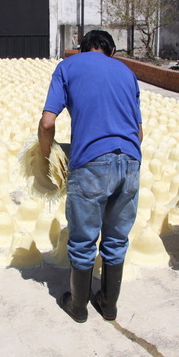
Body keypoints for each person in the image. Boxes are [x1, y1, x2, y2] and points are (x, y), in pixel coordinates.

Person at [38, 30, 143, 322]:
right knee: (116, 239)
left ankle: (78, 306)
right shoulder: (127, 73)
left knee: (83, 240)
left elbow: (47, 123)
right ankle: (109, 305)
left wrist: (48, 159)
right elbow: (139, 132)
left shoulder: (68, 67)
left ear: (83, 49)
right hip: (131, 162)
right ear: (111, 51)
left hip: (91, 164)